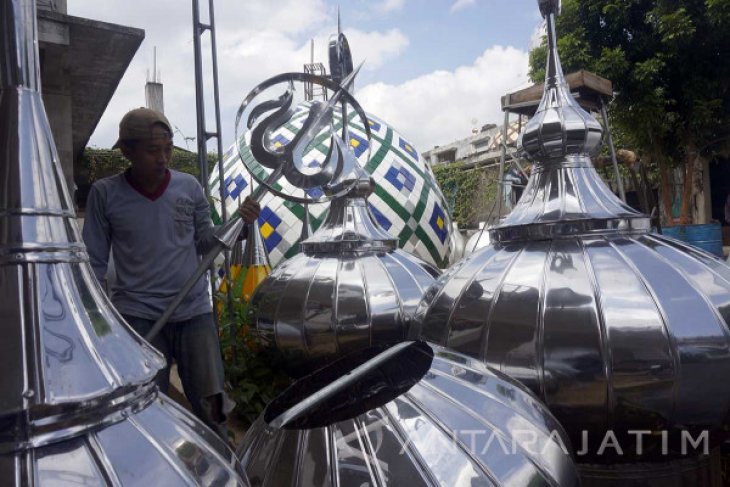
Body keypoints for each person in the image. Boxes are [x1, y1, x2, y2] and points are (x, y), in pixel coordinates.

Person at [83, 107, 260, 439]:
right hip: (138, 316)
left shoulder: (189, 187)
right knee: (149, 406)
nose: (163, 158)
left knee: (214, 402)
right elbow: (93, 261)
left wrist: (240, 224)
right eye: (152, 150)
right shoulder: (105, 194)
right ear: (127, 151)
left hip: (193, 311)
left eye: (167, 148)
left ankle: (223, 458)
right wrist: (97, 320)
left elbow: (207, 241)